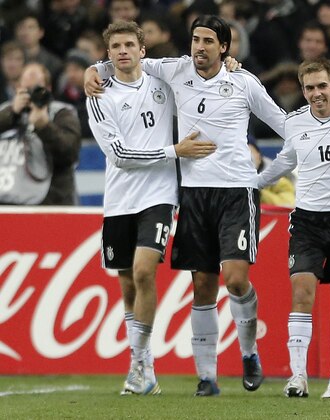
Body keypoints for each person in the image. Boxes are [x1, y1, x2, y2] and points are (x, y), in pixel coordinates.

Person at [86, 14, 286, 397]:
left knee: (234, 279)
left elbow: (285, 126)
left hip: (224, 191)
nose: (200, 47)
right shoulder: (172, 72)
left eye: (209, 41)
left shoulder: (239, 80)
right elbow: (119, 65)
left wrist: (268, 175)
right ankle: (204, 378)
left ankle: (248, 352)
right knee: (200, 285)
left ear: (224, 47)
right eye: (196, 39)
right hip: (188, 193)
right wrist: (90, 70)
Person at [86, 20, 216, 396]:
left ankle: (138, 365)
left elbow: (203, 67)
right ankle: (144, 366)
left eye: (130, 44)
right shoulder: (99, 95)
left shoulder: (164, 83)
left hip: (158, 195)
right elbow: (119, 155)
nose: (123, 51)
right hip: (119, 199)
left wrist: (232, 64)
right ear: (108, 55)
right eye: (116, 47)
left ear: (143, 50)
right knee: (128, 282)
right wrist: (174, 151)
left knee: (144, 271)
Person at [258, 58, 330, 399]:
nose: (316, 94)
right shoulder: (295, 123)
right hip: (307, 222)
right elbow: (285, 161)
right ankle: (298, 377)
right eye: (309, 88)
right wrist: (253, 183)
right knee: (301, 293)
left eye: (322, 86)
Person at [0, 62, 81, 205]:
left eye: (37, 89)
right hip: (8, 203)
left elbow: (69, 154)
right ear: (18, 88)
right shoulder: (6, 111)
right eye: (26, 89)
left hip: (51, 203)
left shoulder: (62, 113)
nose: (31, 95)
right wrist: (12, 113)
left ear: (48, 88)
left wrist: (44, 126)